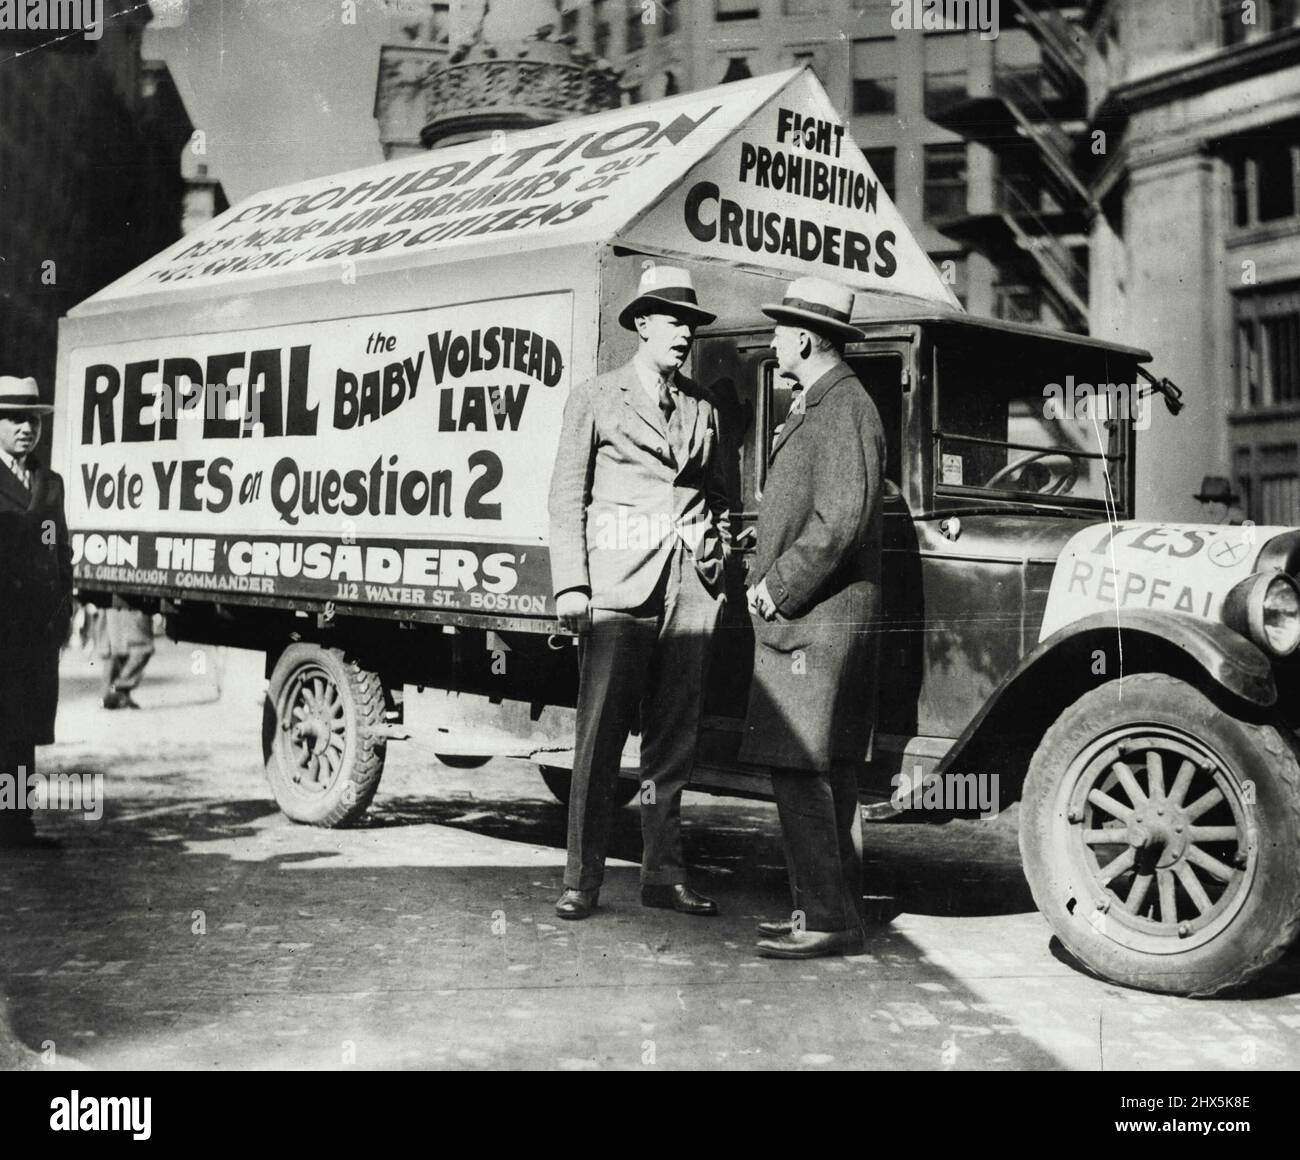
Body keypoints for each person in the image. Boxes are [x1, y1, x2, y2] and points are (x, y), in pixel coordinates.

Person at [548, 264, 731, 920]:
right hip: (618, 591)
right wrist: (572, 584)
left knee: (672, 747)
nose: (685, 335)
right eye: (674, 322)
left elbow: (722, 498)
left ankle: (663, 874)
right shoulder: (596, 397)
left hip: (689, 590)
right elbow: (566, 495)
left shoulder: (705, 407)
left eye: (691, 324)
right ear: (643, 325)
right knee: (597, 746)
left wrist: (718, 568)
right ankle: (581, 880)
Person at [739, 277, 885, 960]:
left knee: (799, 765)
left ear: (802, 338)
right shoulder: (831, 403)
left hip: (815, 618)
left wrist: (775, 588)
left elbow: (839, 523)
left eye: (779, 331)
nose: (773, 341)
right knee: (827, 772)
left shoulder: (842, 406)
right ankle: (827, 914)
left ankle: (826, 917)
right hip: (824, 616)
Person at [0, 375, 73, 848]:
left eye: (33, 419)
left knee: (24, 726)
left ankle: (17, 823)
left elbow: (57, 545)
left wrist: (64, 602)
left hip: (35, 626)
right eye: (14, 418)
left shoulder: (49, 484)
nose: (26, 427)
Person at [98, 594, 155, 709]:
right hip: (130, 596)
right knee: (141, 647)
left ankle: (109, 694)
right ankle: (118, 690)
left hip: (109, 595)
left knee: (114, 648)